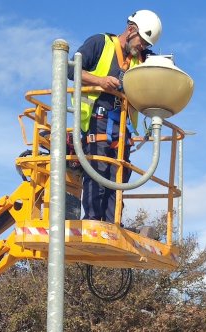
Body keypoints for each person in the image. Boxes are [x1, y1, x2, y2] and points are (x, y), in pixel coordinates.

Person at [68, 10, 162, 222]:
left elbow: (160, 70)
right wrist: (100, 81)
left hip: (122, 125)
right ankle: (92, 220)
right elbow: (70, 70)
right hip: (96, 120)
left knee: (120, 173)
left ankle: (113, 223)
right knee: (98, 169)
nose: (143, 48)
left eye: (147, 45)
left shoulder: (142, 59)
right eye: (142, 42)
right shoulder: (100, 44)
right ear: (130, 30)